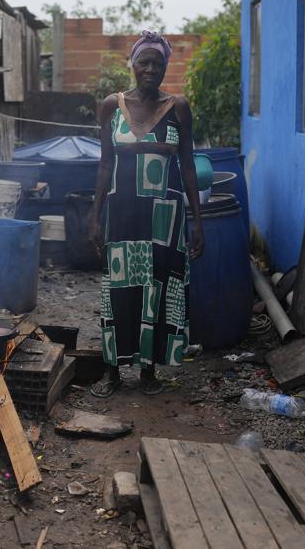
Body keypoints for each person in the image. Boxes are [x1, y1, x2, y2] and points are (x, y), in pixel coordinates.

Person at [87, 30, 204, 397]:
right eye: (144, 62)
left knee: (158, 285)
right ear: (133, 65)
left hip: (165, 218)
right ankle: (113, 371)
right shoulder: (111, 105)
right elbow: (105, 165)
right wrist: (95, 216)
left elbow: (188, 168)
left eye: (158, 63)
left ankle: (149, 373)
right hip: (122, 215)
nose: (151, 69)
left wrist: (198, 221)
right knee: (118, 288)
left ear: (166, 66)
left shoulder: (178, 107)